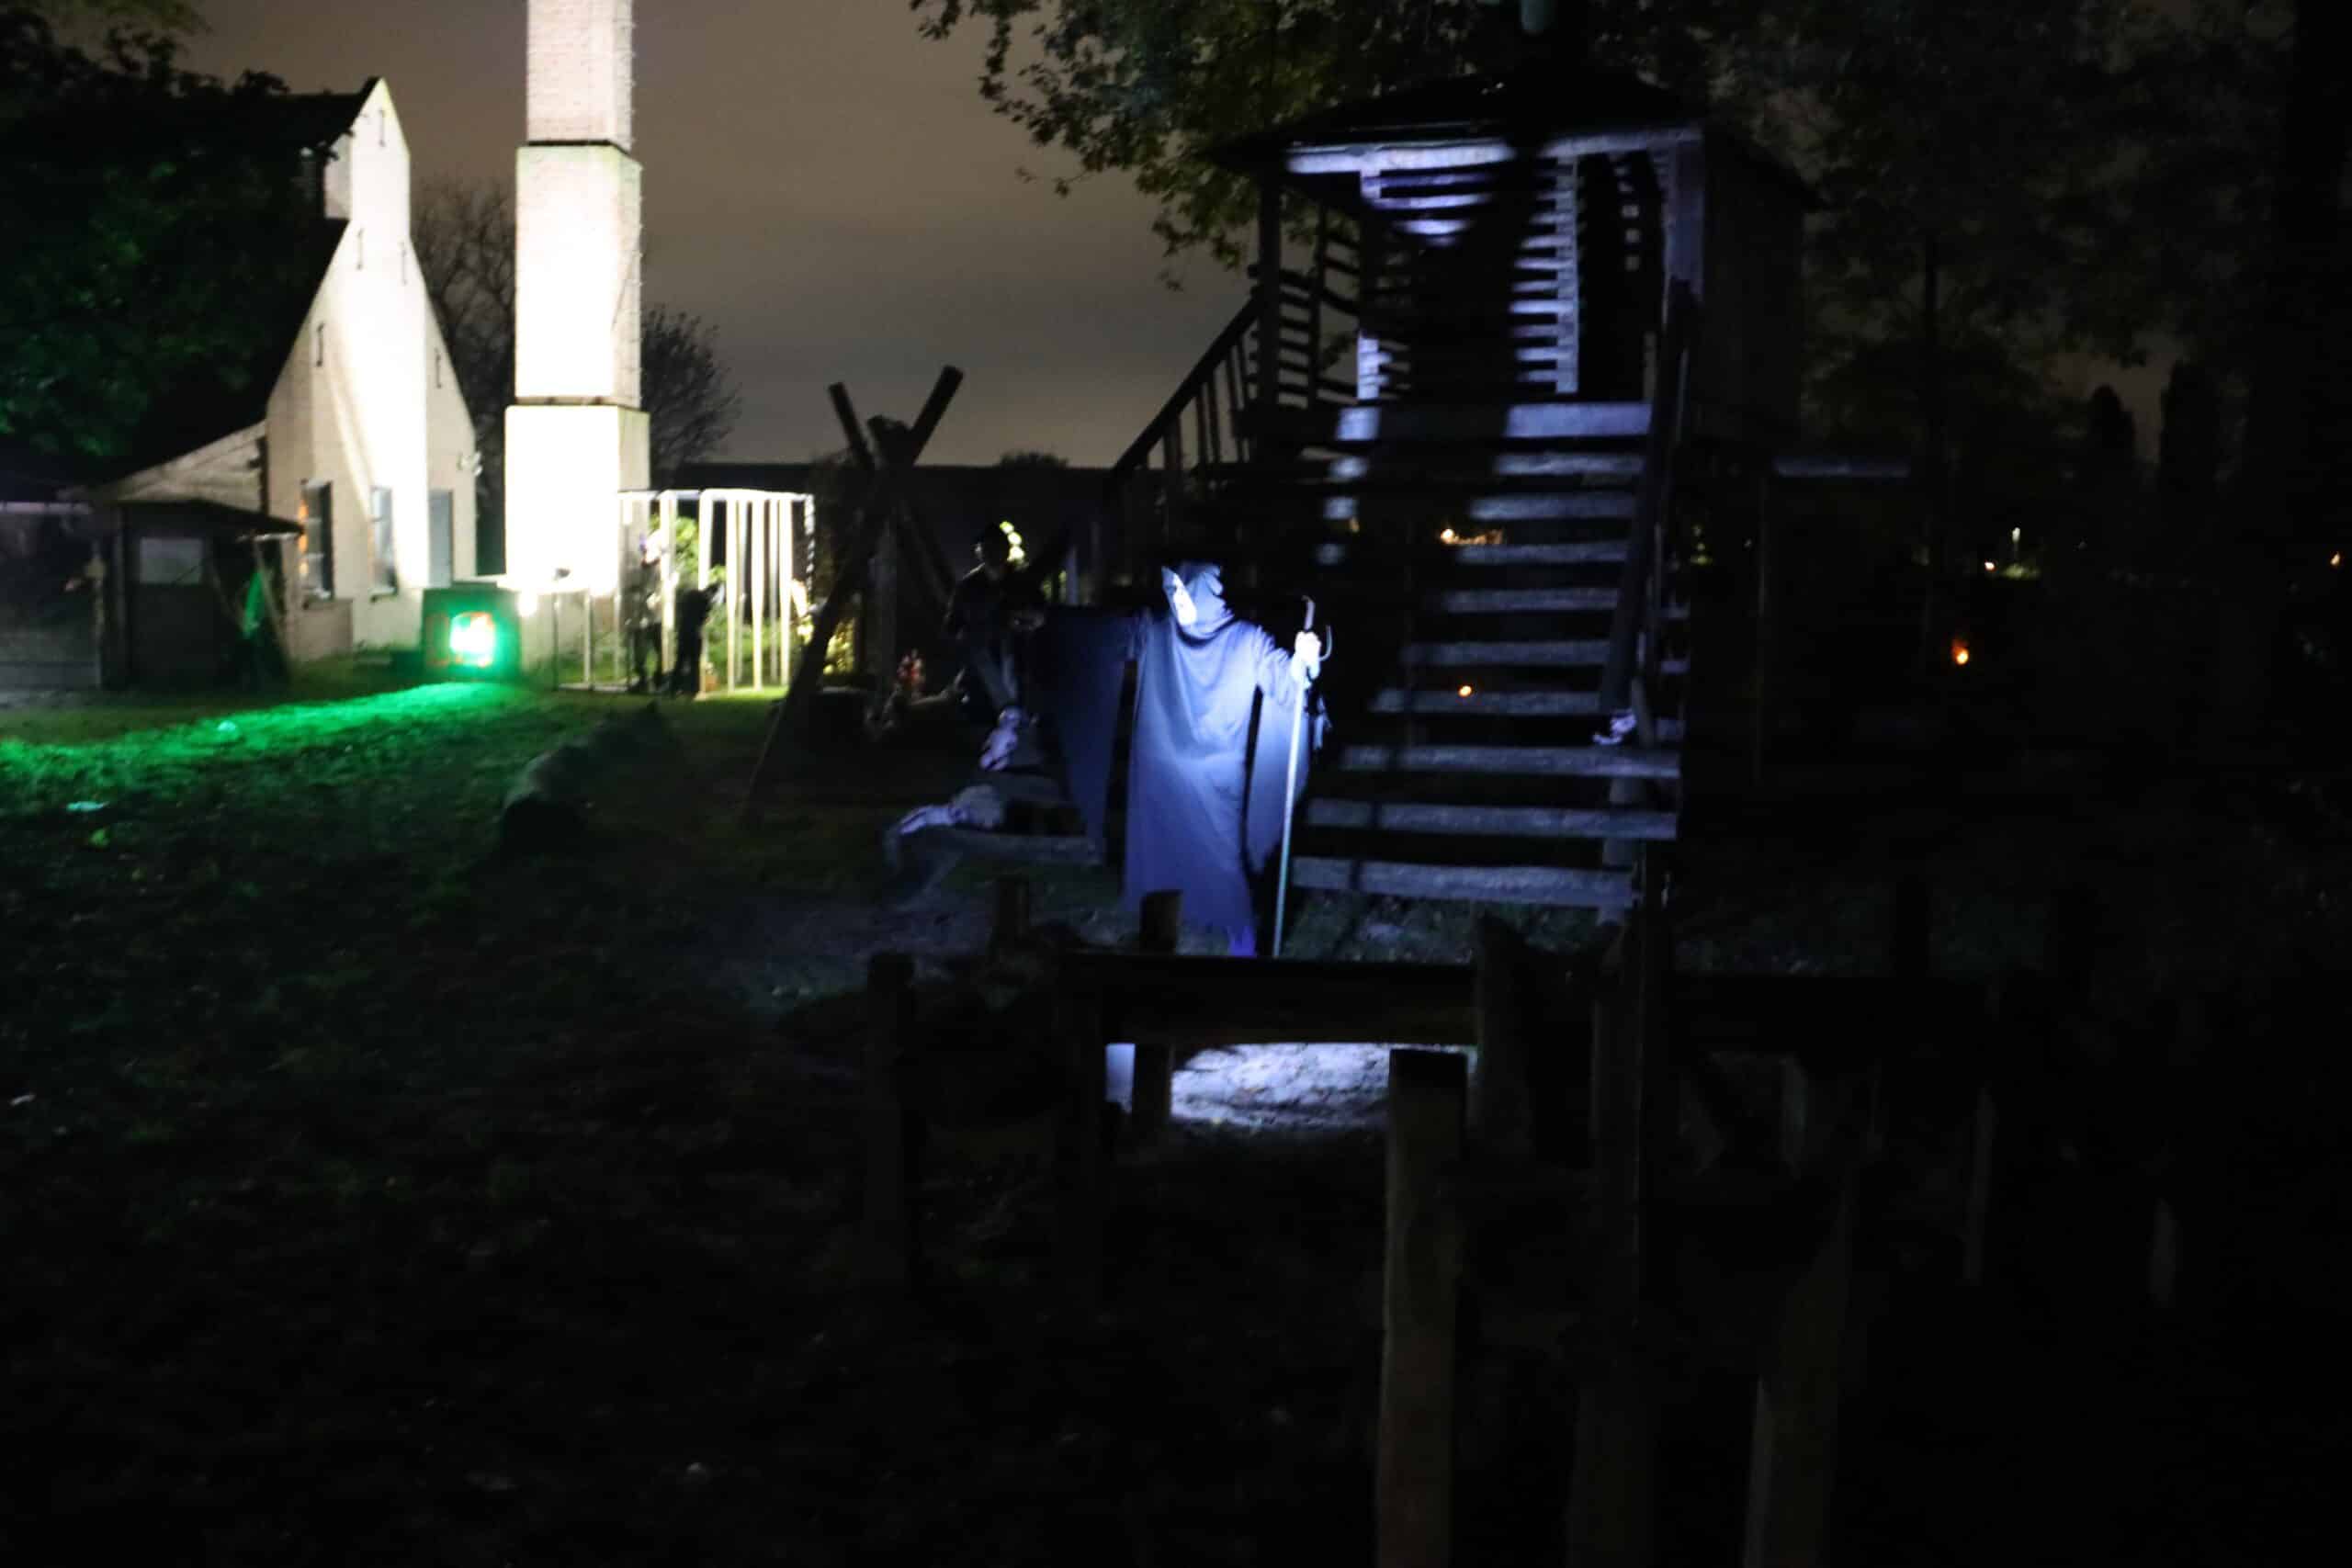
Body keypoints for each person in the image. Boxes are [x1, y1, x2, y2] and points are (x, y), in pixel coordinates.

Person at [1124, 560, 1326, 957]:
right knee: (1159, 858)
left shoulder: (1244, 640)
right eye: (1173, 591)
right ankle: (1158, 943)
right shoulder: (1158, 632)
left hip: (1215, 777)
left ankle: (1242, 943)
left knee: (1222, 862)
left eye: (1185, 592)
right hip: (1160, 772)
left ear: (1207, 593)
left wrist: (1305, 662)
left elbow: (1287, 684)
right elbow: (1111, 636)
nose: (1177, 600)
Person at [941, 525, 1044, 718]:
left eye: (997, 546)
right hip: (980, 673)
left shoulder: (1024, 584)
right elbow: (952, 627)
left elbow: (1041, 615)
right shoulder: (967, 587)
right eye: (986, 547)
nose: (992, 552)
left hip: (1019, 663)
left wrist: (1027, 621)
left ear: (1006, 550)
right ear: (979, 551)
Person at [667, 581, 715, 697]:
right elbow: (705, 616)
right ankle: (693, 689)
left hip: (683, 632)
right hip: (695, 633)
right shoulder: (705, 600)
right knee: (694, 662)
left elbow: (680, 609)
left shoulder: (690, 594)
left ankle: (674, 688)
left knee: (680, 661)